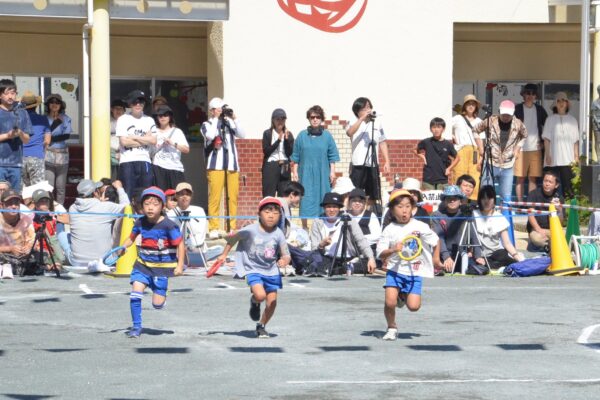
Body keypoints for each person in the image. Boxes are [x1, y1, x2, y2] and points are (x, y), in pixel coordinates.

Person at [216, 197, 291, 338]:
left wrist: (284, 260)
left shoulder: (279, 233)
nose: (271, 215)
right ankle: (254, 301)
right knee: (260, 295)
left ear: (280, 216)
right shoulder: (250, 230)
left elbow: (286, 254)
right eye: (267, 212)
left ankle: (261, 325)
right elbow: (233, 239)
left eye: (275, 213)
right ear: (259, 213)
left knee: (272, 302)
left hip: (271, 270)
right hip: (253, 268)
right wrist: (223, 254)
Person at [120, 186, 184, 338]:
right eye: (147, 203)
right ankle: (136, 327)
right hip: (142, 265)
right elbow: (131, 238)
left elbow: (180, 244)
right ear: (142, 206)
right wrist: (123, 246)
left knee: (157, 304)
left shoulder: (169, 225)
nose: (150, 207)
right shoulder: (140, 222)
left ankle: (161, 297)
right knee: (135, 295)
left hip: (162, 268)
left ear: (162, 206)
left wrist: (180, 265)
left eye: (155, 204)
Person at [376, 189, 439, 341]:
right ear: (392, 210)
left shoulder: (420, 226)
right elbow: (380, 253)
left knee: (414, 307)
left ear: (412, 208)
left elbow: (436, 241)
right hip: (395, 270)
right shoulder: (389, 229)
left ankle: (403, 296)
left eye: (407, 206)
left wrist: (436, 259)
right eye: (400, 207)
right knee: (389, 302)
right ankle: (391, 327)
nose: (404, 211)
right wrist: (392, 250)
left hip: (415, 271)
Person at [58, 179, 130, 266]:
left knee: (62, 235)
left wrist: (100, 202)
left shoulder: (72, 208)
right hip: (104, 261)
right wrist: (119, 188)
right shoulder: (106, 207)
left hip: (77, 262)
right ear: (95, 193)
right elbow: (128, 208)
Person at [202, 97, 245, 238]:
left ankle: (231, 227)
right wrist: (215, 118)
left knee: (233, 197)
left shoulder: (229, 123)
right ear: (212, 110)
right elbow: (210, 135)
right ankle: (213, 227)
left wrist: (234, 117)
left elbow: (242, 134)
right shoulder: (207, 124)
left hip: (232, 164)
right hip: (215, 165)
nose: (221, 111)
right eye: (218, 109)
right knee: (215, 197)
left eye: (222, 108)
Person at [291, 105, 340, 229]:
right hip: (305, 173)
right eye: (312, 117)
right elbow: (296, 156)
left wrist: (332, 172)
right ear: (308, 118)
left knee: (322, 198)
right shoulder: (302, 136)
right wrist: (295, 172)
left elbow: (332, 155)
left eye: (318, 117)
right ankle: (304, 228)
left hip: (322, 173)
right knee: (305, 199)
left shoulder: (327, 136)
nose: (315, 119)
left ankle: (321, 227)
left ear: (321, 119)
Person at [473, 100, 527, 203]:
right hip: (490, 162)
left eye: (508, 115)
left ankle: (505, 217)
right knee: (486, 192)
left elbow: (524, 136)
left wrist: (517, 149)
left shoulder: (518, 123)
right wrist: (480, 147)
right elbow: (475, 130)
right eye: (503, 114)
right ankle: (486, 216)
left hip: (508, 164)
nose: (506, 117)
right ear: (499, 112)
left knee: (506, 196)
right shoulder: (490, 121)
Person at [309, 192, 376, 275]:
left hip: (348, 258)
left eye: (334, 207)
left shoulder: (348, 219)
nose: (332, 210)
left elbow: (360, 240)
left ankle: (345, 268)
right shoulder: (317, 222)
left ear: (339, 208)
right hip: (327, 258)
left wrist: (371, 258)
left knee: (369, 263)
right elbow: (314, 249)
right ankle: (340, 269)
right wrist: (321, 245)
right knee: (314, 261)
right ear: (324, 208)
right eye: (329, 207)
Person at [167, 182, 223, 268]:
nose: (185, 197)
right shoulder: (170, 214)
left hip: (195, 249)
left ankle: (194, 260)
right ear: (176, 196)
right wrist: (180, 247)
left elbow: (200, 235)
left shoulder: (199, 211)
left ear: (191, 196)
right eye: (181, 194)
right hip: (177, 249)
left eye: (188, 194)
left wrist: (188, 246)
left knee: (220, 249)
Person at [346, 97, 390, 204]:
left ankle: (371, 215)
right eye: (364, 108)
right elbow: (349, 133)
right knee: (355, 193)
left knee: (373, 195)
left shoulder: (377, 123)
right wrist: (362, 119)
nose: (368, 110)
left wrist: (387, 161)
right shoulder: (352, 121)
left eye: (369, 107)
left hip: (373, 164)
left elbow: (383, 142)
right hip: (358, 164)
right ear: (357, 111)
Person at [431, 185, 482, 274]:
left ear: (460, 200)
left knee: (478, 269)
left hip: (463, 253)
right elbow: (439, 238)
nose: (452, 201)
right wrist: (446, 257)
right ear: (444, 200)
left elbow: (474, 234)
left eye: (455, 198)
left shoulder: (466, 213)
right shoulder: (437, 215)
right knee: (443, 270)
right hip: (443, 254)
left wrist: (478, 256)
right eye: (448, 198)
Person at [116, 90, 157, 197]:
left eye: (141, 102)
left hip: (145, 160)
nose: (138, 104)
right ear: (130, 104)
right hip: (127, 161)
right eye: (135, 102)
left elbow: (154, 141)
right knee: (128, 193)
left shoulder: (149, 120)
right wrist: (145, 139)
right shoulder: (123, 119)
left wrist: (134, 137)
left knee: (145, 194)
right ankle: (128, 214)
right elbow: (124, 142)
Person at [472, 185, 524, 269]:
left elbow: (507, 243)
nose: (486, 201)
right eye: (483, 198)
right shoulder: (474, 214)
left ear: (494, 200)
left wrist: (517, 256)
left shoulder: (499, 217)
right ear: (479, 200)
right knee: (476, 262)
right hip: (479, 254)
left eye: (489, 198)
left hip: (496, 253)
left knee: (503, 256)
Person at [514, 84, 548, 202]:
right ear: (523, 94)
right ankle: (519, 204)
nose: (530, 95)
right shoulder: (517, 108)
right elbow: (511, 128)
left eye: (533, 93)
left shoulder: (540, 109)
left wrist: (543, 142)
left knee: (533, 178)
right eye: (527, 93)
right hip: (520, 148)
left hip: (536, 148)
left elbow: (547, 126)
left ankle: (530, 203)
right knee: (520, 178)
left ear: (536, 96)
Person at [542, 91, 579, 199]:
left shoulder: (573, 120)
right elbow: (546, 139)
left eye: (563, 100)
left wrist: (576, 157)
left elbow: (575, 140)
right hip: (553, 160)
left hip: (568, 159)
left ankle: (568, 212)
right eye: (558, 101)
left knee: (568, 188)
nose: (561, 103)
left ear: (567, 103)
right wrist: (548, 155)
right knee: (551, 187)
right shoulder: (550, 119)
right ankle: (550, 211)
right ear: (555, 104)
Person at [0, 79, 32, 192]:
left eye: (13, 93)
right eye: (7, 93)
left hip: (16, 164)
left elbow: (27, 140)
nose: (10, 96)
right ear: (0, 95)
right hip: (0, 164)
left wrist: (20, 133)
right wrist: (7, 136)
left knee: (14, 197)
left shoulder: (22, 113)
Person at [451, 94, 483, 200]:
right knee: (459, 175)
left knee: (475, 177)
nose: (471, 106)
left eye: (473, 104)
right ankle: (457, 199)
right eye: (468, 104)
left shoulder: (479, 121)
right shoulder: (457, 118)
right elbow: (445, 128)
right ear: (464, 106)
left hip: (475, 150)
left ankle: (473, 201)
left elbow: (482, 139)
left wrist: (482, 156)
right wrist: (452, 137)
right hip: (461, 150)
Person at [152, 104, 189, 190]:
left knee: (176, 197)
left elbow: (186, 150)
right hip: (158, 168)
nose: (163, 117)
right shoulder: (154, 131)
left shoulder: (177, 131)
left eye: (165, 115)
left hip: (175, 168)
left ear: (170, 117)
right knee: (160, 196)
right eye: (160, 115)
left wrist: (173, 143)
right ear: (157, 117)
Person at [415, 117, 459, 190]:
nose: (436, 130)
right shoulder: (426, 142)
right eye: (434, 127)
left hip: (442, 178)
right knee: (428, 200)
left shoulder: (448, 144)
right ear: (430, 129)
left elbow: (457, 158)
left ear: (443, 129)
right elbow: (414, 149)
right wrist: (421, 156)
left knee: (442, 199)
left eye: (439, 127)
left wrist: (449, 169)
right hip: (428, 178)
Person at [44, 93, 72, 205]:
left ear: (61, 105)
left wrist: (49, 138)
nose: (54, 104)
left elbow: (66, 135)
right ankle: (49, 208)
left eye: (57, 102)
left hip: (62, 155)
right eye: (52, 102)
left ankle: (60, 209)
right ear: (48, 105)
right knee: (49, 186)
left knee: (61, 187)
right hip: (47, 154)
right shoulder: (44, 118)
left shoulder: (66, 119)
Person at [0, 189, 35, 278]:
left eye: (16, 203)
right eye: (9, 204)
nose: (14, 206)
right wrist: (10, 248)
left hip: (21, 256)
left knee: (41, 254)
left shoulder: (26, 219)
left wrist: (28, 248)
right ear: (2, 205)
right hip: (3, 254)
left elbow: (33, 241)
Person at [526, 170, 564, 250]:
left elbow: (560, 222)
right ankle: (548, 247)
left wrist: (560, 211)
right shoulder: (533, 194)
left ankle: (548, 246)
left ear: (556, 185)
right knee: (536, 238)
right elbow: (530, 215)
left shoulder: (559, 198)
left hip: (552, 229)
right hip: (537, 229)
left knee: (564, 237)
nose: (547, 184)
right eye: (545, 181)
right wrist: (538, 229)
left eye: (550, 182)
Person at [31, 189, 65, 273]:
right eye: (41, 201)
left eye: (46, 201)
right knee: (42, 261)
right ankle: (46, 264)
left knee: (60, 261)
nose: (45, 203)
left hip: (50, 248)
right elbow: (31, 241)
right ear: (35, 203)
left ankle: (53, 264)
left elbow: (53, 239)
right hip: (37, 249)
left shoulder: (51, 217)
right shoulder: (30, 218)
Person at [262, 108, 294, 197]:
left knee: (284, 196)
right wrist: (278, 141)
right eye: (277, 119)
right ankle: (269, 210)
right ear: (273, 120)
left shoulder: (289, 134)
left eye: (282, 119)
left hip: (285, 165)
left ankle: (283, 211)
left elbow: (289, 153)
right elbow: (266, 151)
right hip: (271, 165)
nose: (280, 121)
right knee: (268, 195)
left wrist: (287, 140)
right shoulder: (267, 133)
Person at [21, 91, 51, 187]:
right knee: (37, 189)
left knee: (22, 189)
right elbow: (47, 141)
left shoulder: (18, 119)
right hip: (37, 156)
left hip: (20, 157)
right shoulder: (43, 119)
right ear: (36, 106)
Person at [347, 188, 381, 260]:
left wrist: (358, 240)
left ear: (364, 203)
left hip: (367, 253)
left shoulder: (371, 215)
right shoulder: (346, 215)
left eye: (360, 201)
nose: (357, 203)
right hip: (349, 253)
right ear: (349, 203)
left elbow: (377, 235)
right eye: (354, 201)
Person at [110, 99, 127, 180]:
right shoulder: (105, 121)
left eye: (121, 109)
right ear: (111, 109)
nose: (118, 111)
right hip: (109, 154)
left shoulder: (128, 121)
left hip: (124, 153)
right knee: (112, 180)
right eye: (116, 108)